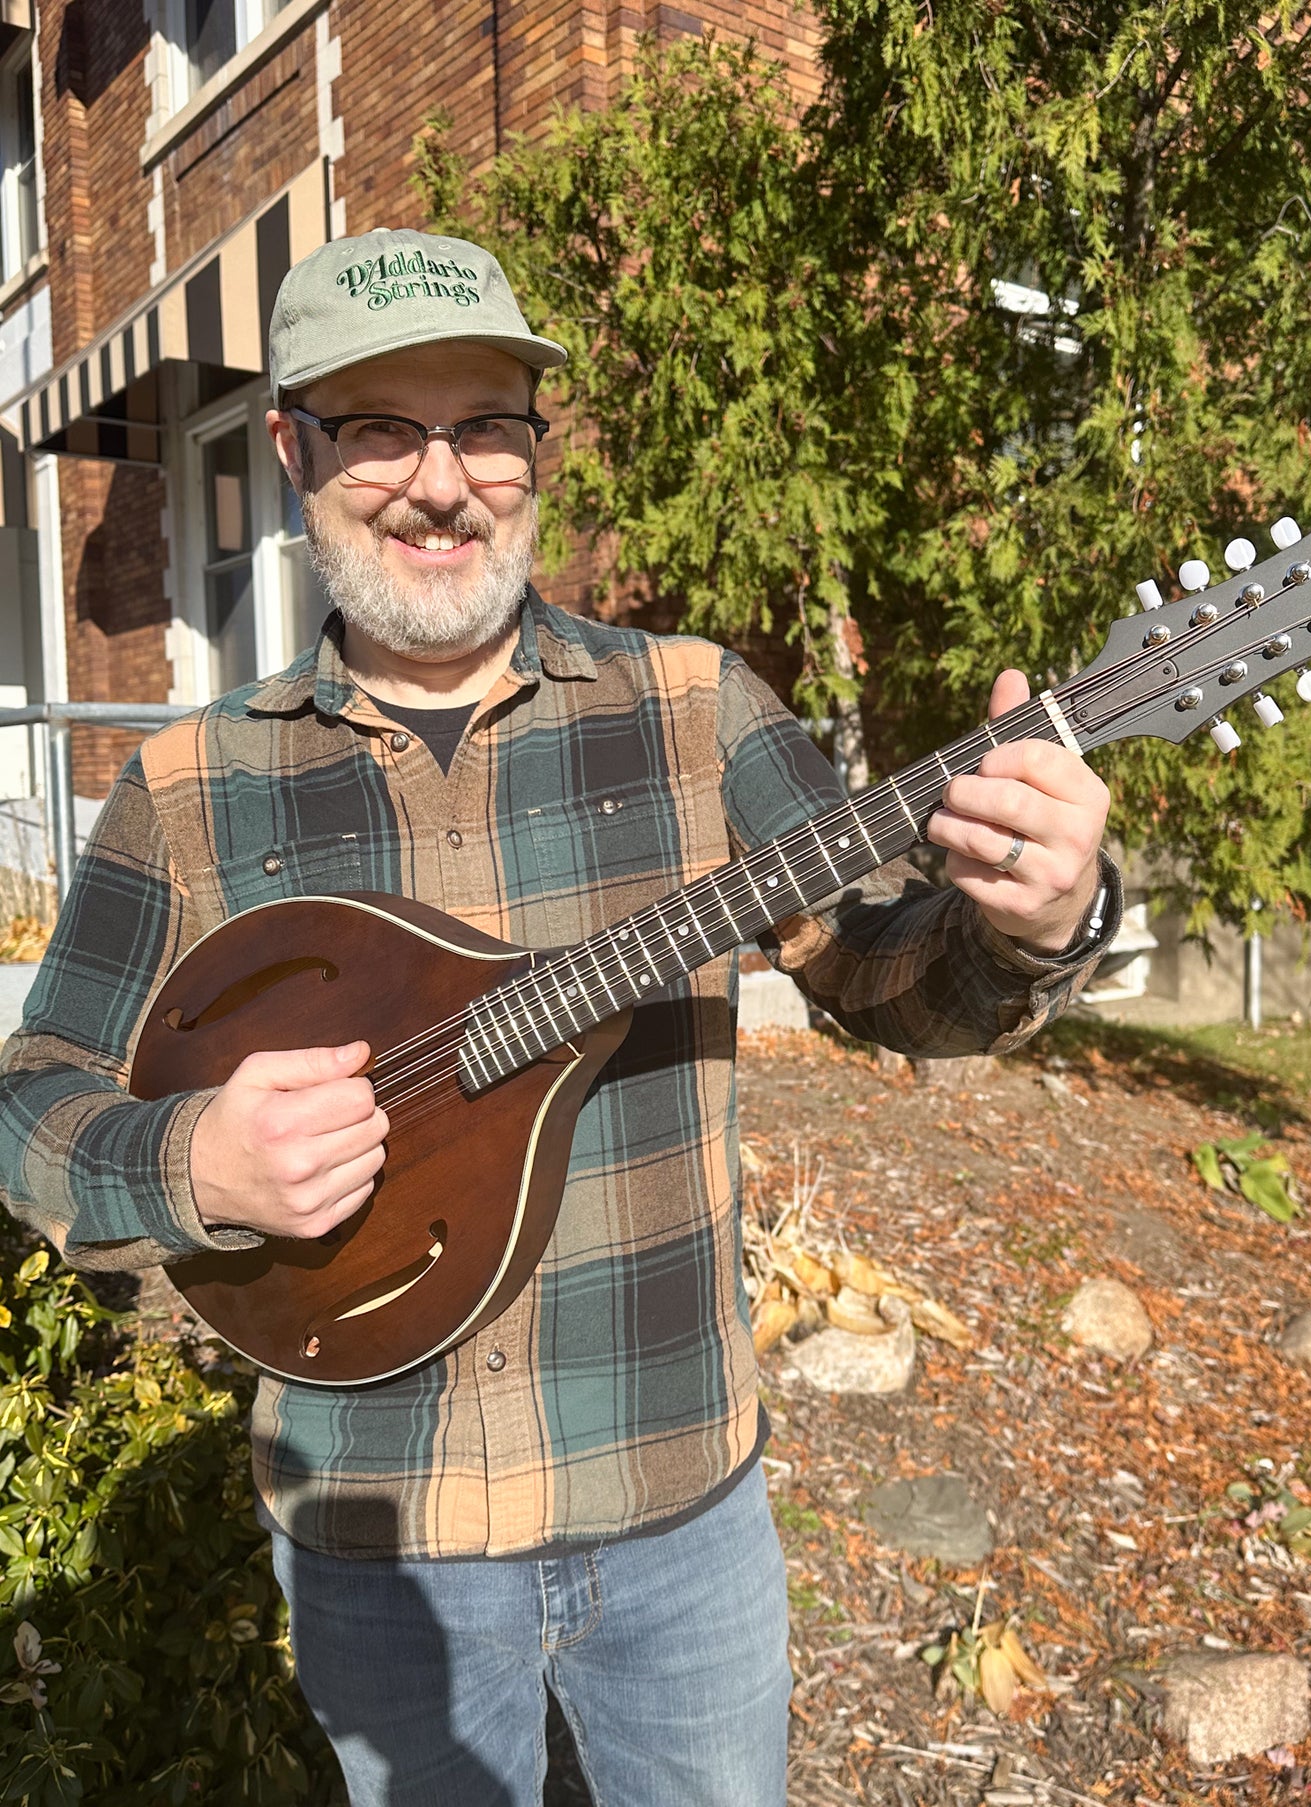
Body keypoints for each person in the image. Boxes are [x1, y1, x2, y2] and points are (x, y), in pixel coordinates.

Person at [0, 227, 1118, 1807]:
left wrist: (1031, 924)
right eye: (380, 428)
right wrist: (193, 1165)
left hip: (678, 1522)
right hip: (380, 1550)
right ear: (291, 449)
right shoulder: (187, 790)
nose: (440, 482)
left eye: (485, 428)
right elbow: (28, 1101)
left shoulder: (692, 709)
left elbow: (877, 976)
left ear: (535, 449)